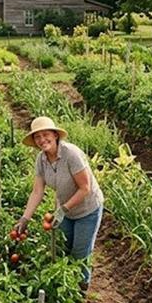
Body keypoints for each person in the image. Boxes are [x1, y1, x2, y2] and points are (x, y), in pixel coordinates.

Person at [14, 116, 105, 291]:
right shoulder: (41, 159)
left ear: (55, 135)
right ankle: (66, 288)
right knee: (64, 248)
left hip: (88, 209)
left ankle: (80, 290)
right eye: (37, 137)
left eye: (45, 134)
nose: (42, 140)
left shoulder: (71, 154)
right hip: (65, 209)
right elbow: (37, 191)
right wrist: (25, 218)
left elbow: (85, 188)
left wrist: (63, 209)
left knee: (80, 253)